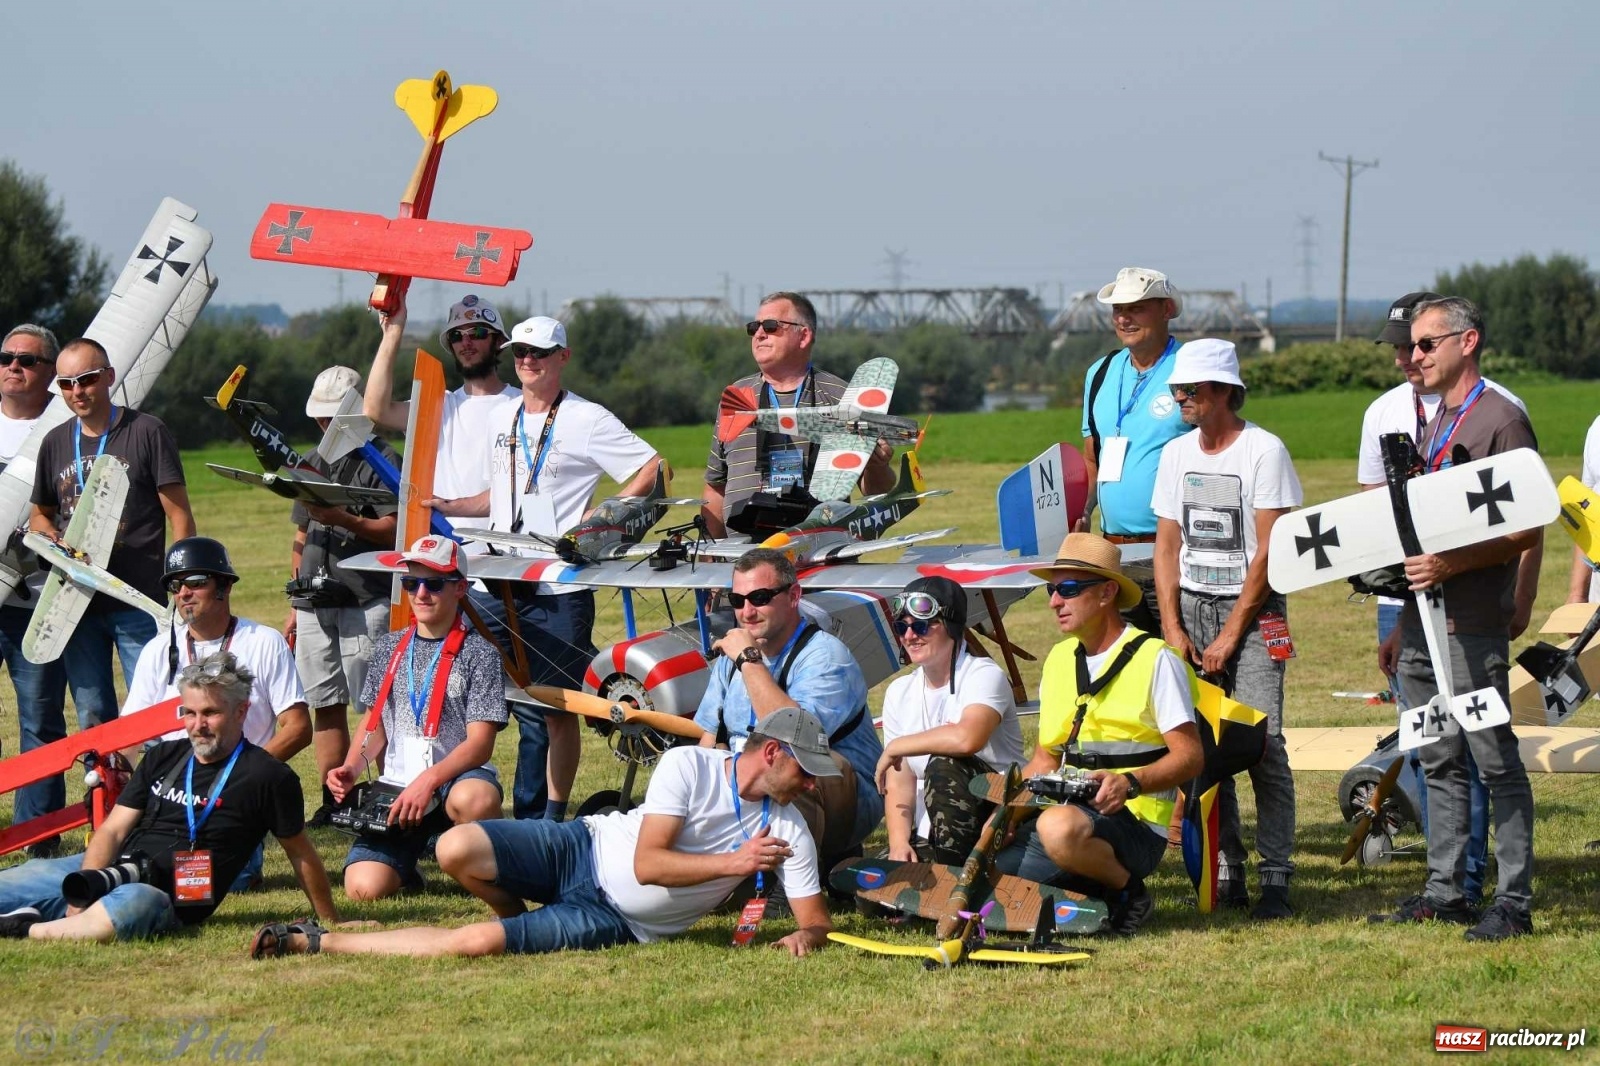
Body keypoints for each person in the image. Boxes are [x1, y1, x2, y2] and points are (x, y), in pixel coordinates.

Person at [248, 707, 836, 960]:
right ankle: (514, 918)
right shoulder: (690, 766)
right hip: (584, 845)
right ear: (774, 752)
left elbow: (814, 921)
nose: (813, 786)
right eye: (807, 772)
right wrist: (734, 865)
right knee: (455, 846)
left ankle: (312, 942)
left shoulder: (788, 828)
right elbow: (649, 865)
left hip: (618, 922)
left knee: (471, 946)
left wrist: (805, 939)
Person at [433, 315, 661, 825]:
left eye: (539, 352)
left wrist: (597, 520)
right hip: (498, 579)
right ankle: (450, 803)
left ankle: (551, 819)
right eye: (519, 353)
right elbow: (503, 492)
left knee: (557, 708)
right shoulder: (503, 414)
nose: (527, 361)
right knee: (456, 681)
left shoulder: (587, 418)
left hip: (558, 582)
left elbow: (651, 468)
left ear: (563, 356)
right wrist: (452, 504)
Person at [1371, 296, 1541, 941]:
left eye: (1425, 344)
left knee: (1494, 759)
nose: (1413, 357)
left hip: (1470, 621)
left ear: (1467, 342)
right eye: (1413, 347)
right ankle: (1446, 891)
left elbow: (1527, 526)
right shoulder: (1432, 418)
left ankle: (1513, 900)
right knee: (1436, 753)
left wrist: (1451, 566)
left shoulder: (1500, 418)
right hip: (1421, 621)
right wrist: (1401, 620)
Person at [0, 652, 339, 943]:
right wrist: (86, 884)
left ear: (241, 712)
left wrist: (331, 920)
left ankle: (26, 928)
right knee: (22, 878)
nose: (197, 725)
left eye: (210, 713)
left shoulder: (267, 775)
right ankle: (63, 916)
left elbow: (300, 853)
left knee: (132, 906)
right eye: (189, 713)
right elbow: (113, 831)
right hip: (113, 866)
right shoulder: (164, 755)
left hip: (167, 896)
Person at [1152, 338, 1302, 919]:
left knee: (1263, 744)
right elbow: (1167, 545)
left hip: (1255, 611)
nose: (1181, 399)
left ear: (1222, 391)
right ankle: (1227, 868)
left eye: (1189, 390)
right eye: (1177, 390)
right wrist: (1172, 623)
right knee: (1209, 750)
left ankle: (1277, 877)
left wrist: (1232, 633)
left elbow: (1269, 550)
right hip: (1192, 607)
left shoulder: (1264, 452)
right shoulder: (1175, 455)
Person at [993, 533, 1202, 936]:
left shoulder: (1155, 659)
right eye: (1052, 590)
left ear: (1107, 593)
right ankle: (1091, 887)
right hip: (1068, 816)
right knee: (995, 885)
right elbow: (1045, 759)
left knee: (1057, 830)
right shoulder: (1058, 660)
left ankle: (1130, 892)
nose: (1055, 601)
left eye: (1068, 590)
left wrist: (1129, 783)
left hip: (1135, 824)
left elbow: (1190, 757)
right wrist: (1005, 817)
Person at [28, 338, 195, 731]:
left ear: (108, 377)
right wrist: (51, 537)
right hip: (77, 600)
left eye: (85, 379)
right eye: (65, 384)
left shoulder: (147, 431)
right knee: (92, 713)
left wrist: (181, 580)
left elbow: (180, 515)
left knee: (152, 709)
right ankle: (103, 789)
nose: (76, 391)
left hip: (138, 595)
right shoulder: (54, 441)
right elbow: (40, 515)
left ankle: (154, 789)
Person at [328, 535, 507, 901]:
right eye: (411, 582)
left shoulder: (481, 653)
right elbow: (373, 723)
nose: (421, 593)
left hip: (455, 781)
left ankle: (494, 863)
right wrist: (350, 766)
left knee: (476, 799)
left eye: (434, 583)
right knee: (362, 890)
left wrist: (428, 781)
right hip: (399, 787)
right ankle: (406, 869)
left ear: (460, 588)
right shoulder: (389, 647)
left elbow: (480, 744)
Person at [693, 547, 884, 865]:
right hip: (751, 787)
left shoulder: (825, 657)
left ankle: (791, 877)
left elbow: (796, 735)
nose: (747, 612)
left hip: (841, 801)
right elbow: (710, 741)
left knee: (788, 763)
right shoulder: (734, 657)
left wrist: (748, 661)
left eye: (761, 597)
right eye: (737, 601)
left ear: (794, 596)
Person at [285, 365, 400, 825]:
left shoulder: (385, 460)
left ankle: (383, 796)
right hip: (314, 602)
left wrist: (345, 520)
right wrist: (293, 600)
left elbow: (396, 529)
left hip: (366, 598)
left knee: (375, 706)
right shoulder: (309, 461)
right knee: (324, 703)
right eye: (319, 418)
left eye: (331, 417)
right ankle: (335, 802)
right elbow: (299, 533)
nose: (322, 426)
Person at [702, 291, 893, 539]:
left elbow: (875, 491)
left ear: (803, 336)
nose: (759, 334)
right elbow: (716, 487)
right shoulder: (736, 397)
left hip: (818, 554)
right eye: (753, 327)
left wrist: (878, 465)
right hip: (742, 562)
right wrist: (710, 557)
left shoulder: (843, 396)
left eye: (771, 326)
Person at [876, 576, 1025, 864]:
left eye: (920, 626)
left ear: (952, 627)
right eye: (901, 627)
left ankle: (953, 875)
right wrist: (898, 844)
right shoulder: (898, 691)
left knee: (944, 764)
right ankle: (937, 869)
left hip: (995, 818)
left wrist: (897, 746)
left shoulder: (983, 674)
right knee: (870, 891)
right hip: (933, 828)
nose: (909, 637)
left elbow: (967, 739)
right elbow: (899, 779)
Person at [1076, 267, 1192, 633]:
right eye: (1117, 310)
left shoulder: (1191, 367)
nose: (1123, 318)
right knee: (1129, 669)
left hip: (1176, 549)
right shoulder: (1100, 372)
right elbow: (1092, 457)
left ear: (1167, 309)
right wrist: (1082, 513)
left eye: (1136, 308)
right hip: (1114, 554)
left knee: (1185, 664)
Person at [123, 538, 310, 758]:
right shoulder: (157, 650)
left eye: (195, 582)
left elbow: (298, 728)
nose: (183, 593)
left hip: (241, 783)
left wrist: (246, 773)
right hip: (177, 785)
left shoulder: (264, 642)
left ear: (225, 585)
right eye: (175, 585)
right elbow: (129, 734)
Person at [0, 324, 70, 841]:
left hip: (39, 599)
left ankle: (38, 832)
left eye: (26, 359)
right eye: (5, 357)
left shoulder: (63, 429)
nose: (13, 366)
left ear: (50, 371)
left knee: (41, 720)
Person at [361, 292, 518, 502]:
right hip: (445, 534)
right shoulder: (439, 405)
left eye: (477, 332)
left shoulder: (522, 405)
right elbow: (376, 410)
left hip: (502, 533)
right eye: (456, 336)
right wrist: (392, 332)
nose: (466, 342)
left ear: (498, 341)